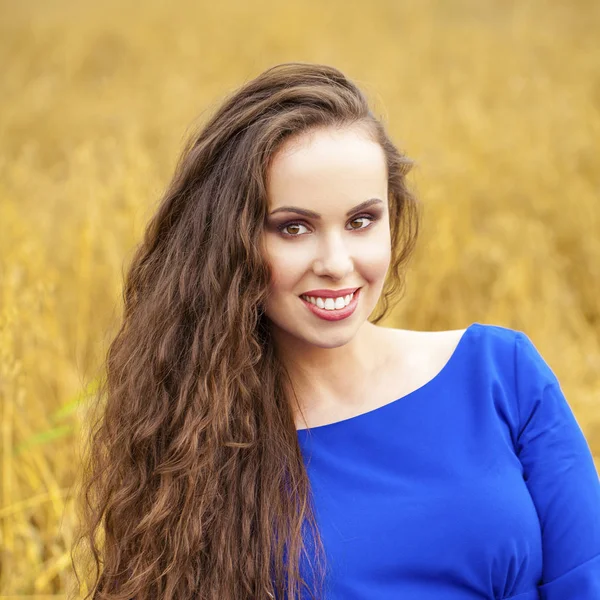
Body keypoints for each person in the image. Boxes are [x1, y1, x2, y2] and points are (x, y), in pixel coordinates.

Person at [73, 62, 600, 600]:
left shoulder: (501, 373)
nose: (336, 262)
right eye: (293, 227)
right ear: (228, 247)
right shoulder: (199, 441)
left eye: (361, 220)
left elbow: (587, 576)